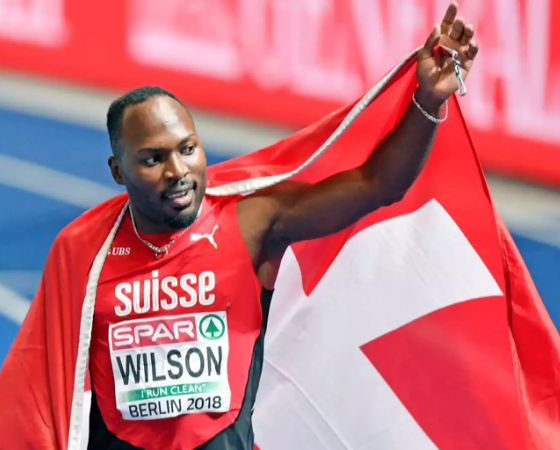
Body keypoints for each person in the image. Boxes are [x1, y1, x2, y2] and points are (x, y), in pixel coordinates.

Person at [84, 3, 476, 449]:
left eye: (188, 149)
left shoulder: (250, 224)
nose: (178, 170)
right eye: (153, 159)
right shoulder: (86, 255)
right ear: (118, 171)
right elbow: (47, 393)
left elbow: (377, 185)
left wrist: (427, 100)